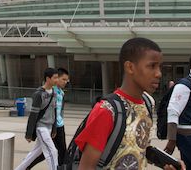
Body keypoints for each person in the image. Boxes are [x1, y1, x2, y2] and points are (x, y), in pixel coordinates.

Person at [75, 37, 184, 170]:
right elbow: (86, 167)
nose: (159, 74)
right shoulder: (106, 111)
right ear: (130, 67)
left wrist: (166, 162)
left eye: (159, 67)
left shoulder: (149, 103)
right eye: (152, 66)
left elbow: (138, 148)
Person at [15, 68, 59, 170]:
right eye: (55, 78)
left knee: (34, 154)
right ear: (48, 79)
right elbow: (33, 115)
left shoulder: (54, 93)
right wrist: (29, 134)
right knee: (52, 151)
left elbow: (55, 111)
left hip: (49, 127)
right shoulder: (39, 94)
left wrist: (54, 128)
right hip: (41, 127)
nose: (57, 80)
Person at [27, 67, 70, 168]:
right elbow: (35, 113)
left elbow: (59, 111)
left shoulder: (61, 92)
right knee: (49, 152)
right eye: (63, 79)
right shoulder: (49, 92)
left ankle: (27, 165)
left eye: (67, 80)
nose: (65, 82)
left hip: (59, 125)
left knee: (59, 151)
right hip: (50, 126)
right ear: (55, 78)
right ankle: (27, 165)